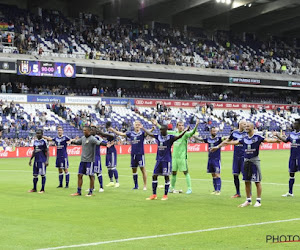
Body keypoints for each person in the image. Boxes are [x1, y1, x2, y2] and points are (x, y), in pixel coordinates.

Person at [211, 122, 280, 207]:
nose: (246, 127)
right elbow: (234, 142)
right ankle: (248, 200)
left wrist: (276, 140)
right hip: (246, 161)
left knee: (257, 181)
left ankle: (258, 201)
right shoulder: (244, 138)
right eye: (245, 126)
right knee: (247, 181)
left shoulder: (257, 137)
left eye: (248, 126)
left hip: (254, 161)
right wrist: (222, 145)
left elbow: (267, 140)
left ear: (252, 127)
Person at [141, 124, 189, 201]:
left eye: (162, 130)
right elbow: (150, 134)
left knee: (166, 176)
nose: (160, 131)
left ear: (165, 130)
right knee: (154, 175)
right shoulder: (158, 137)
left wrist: (185, 131)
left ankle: (165, 195)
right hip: (158, 160)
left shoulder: (170, 138)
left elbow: (179, 137)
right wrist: (143, 128)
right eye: (160, 130)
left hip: (166, 160)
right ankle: (154, 194)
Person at [152, 118, 200, 194]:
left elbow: (192, 132)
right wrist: (156, 124)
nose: (181, 127)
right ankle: (172, 188)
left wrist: (196, 125)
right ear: (177, 126)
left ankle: (189, 188)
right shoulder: (173, 133)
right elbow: (165, 130)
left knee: (185, 172)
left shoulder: (185, 134)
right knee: (173, 172)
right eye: (179, 125)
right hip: (174, 157)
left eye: (182, 125)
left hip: (182, 157)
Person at [108, 120, 152, 190]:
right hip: (133, 155)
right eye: (136, 124)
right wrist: (113, 130)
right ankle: (136, 186)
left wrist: (151, 129)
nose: (137, 126)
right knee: (134, 170)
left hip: (140, 154)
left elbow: (149, 132)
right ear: (134, 126)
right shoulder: (131, 133)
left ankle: (145, 186)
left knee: (142, 169)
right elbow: (122, 134)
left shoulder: (142, 133)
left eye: (138, 124)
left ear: (140, 126)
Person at [70, 126, 110, 197]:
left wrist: (106, 144)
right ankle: (78, 191)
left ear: (89, 131)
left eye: (85, 130)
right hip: (83, 160)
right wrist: (72, 141)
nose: (84, 132)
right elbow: (78, 142)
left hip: (90, 161)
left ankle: (91, 192)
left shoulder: (92, 139)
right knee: (79, 175)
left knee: (91, 176)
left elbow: (98, 142)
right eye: (83, 130)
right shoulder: (83, 138)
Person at [194, 127, 224, 195]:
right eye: (213, 131)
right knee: (213, 175)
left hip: (216, 159)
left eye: (215, 131)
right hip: (210, 159)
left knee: (217, 174)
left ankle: (218, 190)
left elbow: (225, 139)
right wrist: (193, 135)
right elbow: (200, 139)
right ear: (211, 132)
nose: (214, 132)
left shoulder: (219, 139)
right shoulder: (208, 139)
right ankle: (215, 190)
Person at [273, 119, 300, 197]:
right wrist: (277, 135)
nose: (294, 124)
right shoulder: (291, 134)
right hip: (292, 157)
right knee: (291, 174)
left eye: (295, 123)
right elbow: (285, 141)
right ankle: (290, 192)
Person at [224, 120, 247, 198]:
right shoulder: (234, 133)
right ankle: (237, 193)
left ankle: (249, 193)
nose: (245, 125)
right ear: (240, 125)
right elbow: (227, 141)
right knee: (235, 175)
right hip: (236, 157)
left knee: (246, 176)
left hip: (245, 157)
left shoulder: (247, 133)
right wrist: (218, 146)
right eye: (244, 124)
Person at [28, 129, 49, 193]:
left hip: (42, 160)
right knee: (35, 175)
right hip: (36, 160)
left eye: (39, 133)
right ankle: (34, 188)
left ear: (42, 134)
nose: (37, 134)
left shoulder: (44, 141)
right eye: (37, 133)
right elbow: (34, 151)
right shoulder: (35, 141)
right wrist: (31, 159)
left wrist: (47, 160)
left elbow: (47, 151)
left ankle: (42, 189)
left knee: (42, 175)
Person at [99, 122, 120, 188]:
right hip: (108, 151)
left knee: (113, 167)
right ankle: (111, 181)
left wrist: (100, 132)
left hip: (112, 152)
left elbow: (111, 136)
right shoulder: (107, 133)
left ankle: (117, 182)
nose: (108, 128)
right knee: (108, 167)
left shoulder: (112, 134)